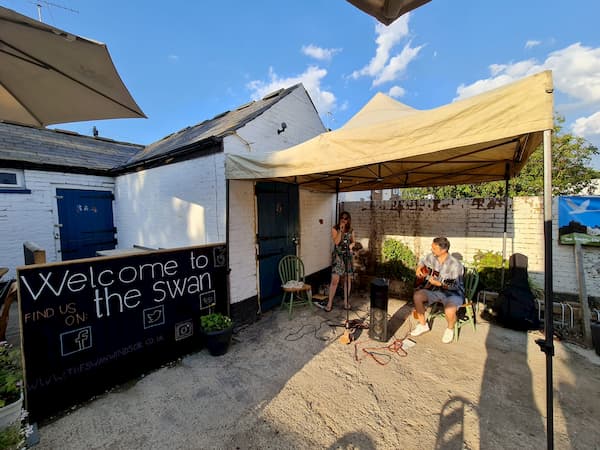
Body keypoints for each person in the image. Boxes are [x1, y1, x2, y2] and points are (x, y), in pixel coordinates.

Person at [410, 237, 464, 343]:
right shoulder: (432, 257)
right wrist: (419, 267)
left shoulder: (456, 265)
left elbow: (455, 285)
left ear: (443, 250)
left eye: (434, 248)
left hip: (453, 293)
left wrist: (440, 283)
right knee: (417, 296)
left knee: (449, 310)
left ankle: (450, 329)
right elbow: (422, 261)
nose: (431, 250)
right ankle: (423, 325)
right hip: (436, 290)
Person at [324, 211, 355, 312]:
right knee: (335, 280)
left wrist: (351, 245)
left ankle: (346, 302)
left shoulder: (351, 230)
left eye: (346, 218)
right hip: (338, 257)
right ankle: (330, 303)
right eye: (342, 217)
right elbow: (337, 242)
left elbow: (353, 241)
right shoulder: (335, 229)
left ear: (348, 219)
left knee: (347, 280)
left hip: (347, 257)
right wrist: (340, 231)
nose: (344, 219)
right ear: (340, 218)